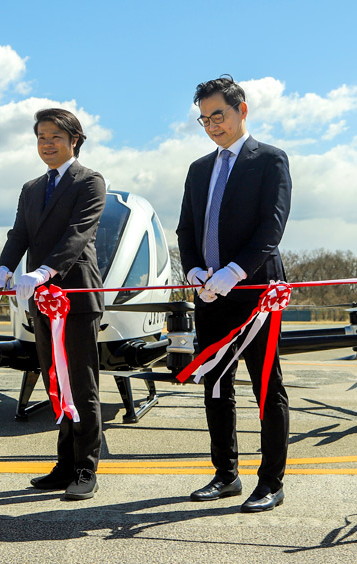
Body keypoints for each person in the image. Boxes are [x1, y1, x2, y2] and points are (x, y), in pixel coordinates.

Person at [177, 75, 292, 512]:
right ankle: (226, 474)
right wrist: (192, 269)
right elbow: (186, 227)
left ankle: (271, 481)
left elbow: (272, 228)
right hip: (208, 294)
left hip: (256, 291)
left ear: (242, 110)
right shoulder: (198, 169)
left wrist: (236, 270)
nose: (211, 125)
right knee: (216, 385)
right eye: (204, 119)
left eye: (218, 115)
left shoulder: (271, 160)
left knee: (267, 387)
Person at [0, 108, 106, 501]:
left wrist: (44, 271)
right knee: (55, 383)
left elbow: (78, 233)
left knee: (81, 384)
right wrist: (6, 266)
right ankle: (64, 464)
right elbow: (20, 232)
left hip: (73, 296)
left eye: (55, 137)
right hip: (39, 300)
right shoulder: (31, 188)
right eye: (41, 137)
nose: (47, 144)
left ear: (74, 139)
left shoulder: (89, 181)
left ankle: (85, 468)